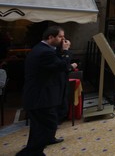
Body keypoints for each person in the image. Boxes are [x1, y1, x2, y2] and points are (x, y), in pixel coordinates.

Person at [17, 26, 74, 155]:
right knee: (47, 125)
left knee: (39, 127)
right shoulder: (45, 52)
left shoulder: (44, 49)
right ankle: (30, 153)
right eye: (60, 37)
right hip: (41, 97)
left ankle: (40, 145)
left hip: (40, 96)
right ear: (50, 37)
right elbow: (60, 65)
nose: (63, 40)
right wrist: (66, 51)